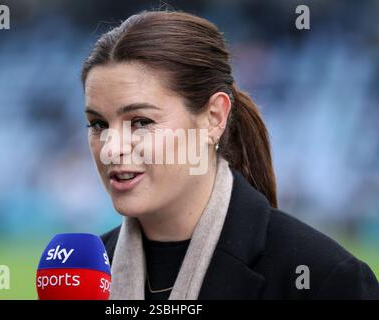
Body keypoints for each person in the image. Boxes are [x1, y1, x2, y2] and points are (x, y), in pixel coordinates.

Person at [80, 10, 379, 299]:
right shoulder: (82, 273)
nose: (111, 148)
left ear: (213, 117)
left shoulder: (326, 279)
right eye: (98, 124)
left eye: (141, 122)